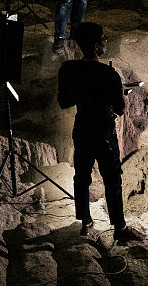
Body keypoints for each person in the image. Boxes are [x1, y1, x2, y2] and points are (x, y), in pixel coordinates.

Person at [56, 21, 138, 242]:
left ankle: (86, 223)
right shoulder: (108, 73)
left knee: (81, 176)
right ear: (94, 46)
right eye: (103, 38)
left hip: (82, 126)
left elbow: (64, 101)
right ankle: (119, 228)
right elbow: (120, 109)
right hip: (103, 131)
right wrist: (121, 93)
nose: (105, 42)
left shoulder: (68, 69)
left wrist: (84, 94)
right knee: (112, 178)